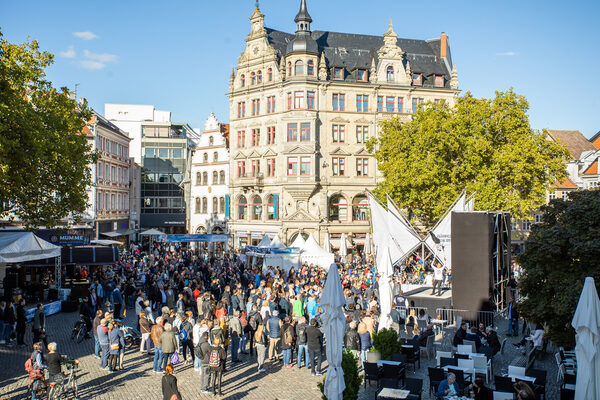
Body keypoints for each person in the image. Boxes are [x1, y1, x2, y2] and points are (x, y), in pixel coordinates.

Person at [197, 330, 212, 394]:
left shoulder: (200, 342)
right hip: (206, 361)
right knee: (206, 374)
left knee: (203, 374)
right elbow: (211, 351)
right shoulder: (206, 344)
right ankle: (205, 388)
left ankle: (202, 386)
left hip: (202, 360)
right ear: (206, 336)